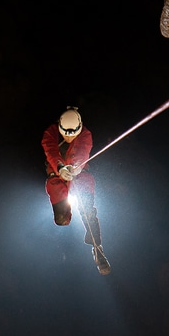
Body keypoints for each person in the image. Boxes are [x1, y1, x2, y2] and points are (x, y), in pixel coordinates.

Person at [42, 107, 111, 275]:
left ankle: (97, 246)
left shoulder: (85, 134)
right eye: (66, 135)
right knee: (62, 219)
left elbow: (83, 151)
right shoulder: (51, 133)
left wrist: (76, 166)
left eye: (72, 135)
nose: (68, 138)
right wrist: (60, 167)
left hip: (79, 176)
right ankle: (63, 219)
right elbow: (50, 149)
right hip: (57, 177)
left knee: (87, 207)